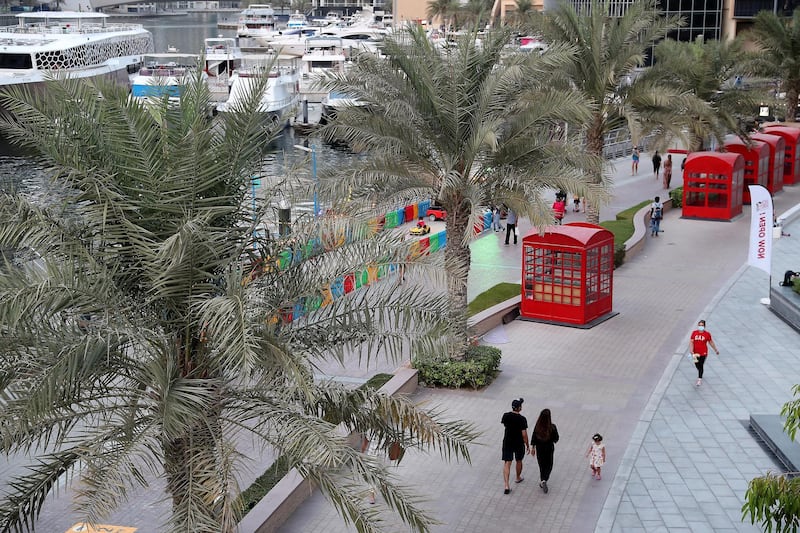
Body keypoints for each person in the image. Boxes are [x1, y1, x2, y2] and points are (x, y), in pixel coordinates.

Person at [501, 398, 529, 494]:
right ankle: (517, 477)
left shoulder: (506, 416)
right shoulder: (522, 419)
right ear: (519, 408)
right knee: (519, 460)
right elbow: (524, 435)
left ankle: (506, 485)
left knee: (507, 463)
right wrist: (527, 445)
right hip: (518, 443)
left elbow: (505, 424)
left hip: (507, 442)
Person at [529, 408, 559, 494]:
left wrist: (533, 447)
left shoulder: (537, 427)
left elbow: (533, 437)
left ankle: (542, 479)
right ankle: (544, 479)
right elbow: (556, 439)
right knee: (549, 465)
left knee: (541, 465)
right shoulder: (552, 427)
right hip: (549, 448)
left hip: (540, 449)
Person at [689, 319, 720, 387]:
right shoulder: (694, 333)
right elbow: (691, 342)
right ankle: (700, 373)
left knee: (701, 365)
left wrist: (716, 350)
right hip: (695, 353)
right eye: (699, 325)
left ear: (704, 326)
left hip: (703, 353)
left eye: (702, 325)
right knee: (696, 364)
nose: (700, 327)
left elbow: (711, 342)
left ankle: (699, 379)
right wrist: (691, 350)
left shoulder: (707, 334)